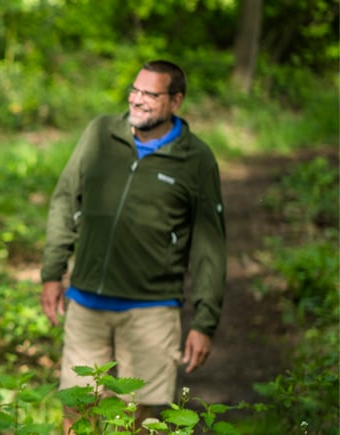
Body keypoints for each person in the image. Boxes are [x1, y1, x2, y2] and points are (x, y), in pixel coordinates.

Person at [39, 60, 227, 433]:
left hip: (152, 310)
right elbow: (65, 199)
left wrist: (205, 320)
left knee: (142, 421)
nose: (137, 100)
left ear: (176, 101)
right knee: (77, 416)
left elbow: (210, 245)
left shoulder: (196, 159)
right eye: (134, 90)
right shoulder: (100, 134)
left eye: (150, 94)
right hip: (86, 303)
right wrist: (52, 272)